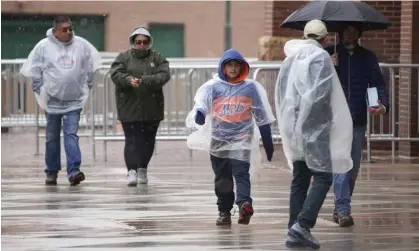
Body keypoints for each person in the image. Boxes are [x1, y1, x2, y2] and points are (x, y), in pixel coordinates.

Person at [275, 20, 353, 249]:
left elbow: (282, 93)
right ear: (325, 38)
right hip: (313, 127)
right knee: (323, 176)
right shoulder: (320, 58)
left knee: (300, 176)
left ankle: (294, 228)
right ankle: (303, 225)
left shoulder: (291, 58)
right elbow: (320, 95)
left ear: (305, 34)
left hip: (293, 127)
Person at [186, 49, 275, 226]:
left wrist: (267, 137)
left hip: (242, 139)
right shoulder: (214, 87)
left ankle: (244, 204)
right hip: (219, 139)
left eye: (237, 65)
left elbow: (260, 113)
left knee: (241, 173)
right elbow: (202, 102)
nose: (233, 68)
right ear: (223, 67)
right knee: (222, 177)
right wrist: (201, 113)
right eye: (230, 65)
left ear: (242, 67)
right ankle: (224, 211)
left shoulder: (250, 88)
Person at [20, 15, 101, 186]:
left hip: (74, 101)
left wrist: (88, 82)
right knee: (51, 137)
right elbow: (35, 68)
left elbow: (88, 65)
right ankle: (51, 171)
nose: (69, 32)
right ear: (55, 31)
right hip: (52, 101)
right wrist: (38, 87)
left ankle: (74, 171)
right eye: (64, 29)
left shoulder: (81, 45)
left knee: (71, 134)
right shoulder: (43, 46)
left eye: (70, 28)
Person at [325, 25, 390, 227]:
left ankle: (340, 205)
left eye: (354, 31)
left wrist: (383, 105)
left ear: (360, 34)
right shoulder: (329, 54)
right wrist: (330, 67)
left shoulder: (368, 57)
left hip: (358, 119)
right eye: (346, 31)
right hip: (335, 120)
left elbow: (377, 83)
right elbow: (317, 82)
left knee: (352, 166)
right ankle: (344, 208)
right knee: (341, 164)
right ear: (340, 33)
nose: (350, 35)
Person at [110, 27, 170, 186]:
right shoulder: (123, 57)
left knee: (148, 140)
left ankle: (142, 168)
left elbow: (164, 75)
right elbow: (115, 74)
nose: (141, 45)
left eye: (144, 42)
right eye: (138, 42)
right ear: (133, 42)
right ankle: (131, 171)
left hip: (152, 107)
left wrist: (146, 80)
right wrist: (128, 80)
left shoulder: (157, 57)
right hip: (128, 106)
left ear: (149, 43)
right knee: (131, 140)